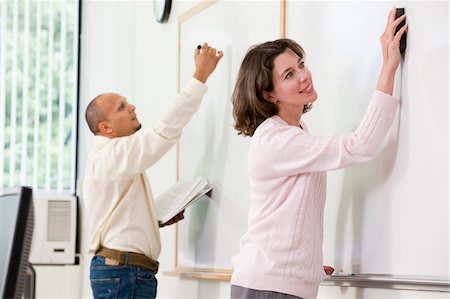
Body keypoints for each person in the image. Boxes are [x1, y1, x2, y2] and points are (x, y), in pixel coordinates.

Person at [230, 8, 407, 299]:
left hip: (274, 284)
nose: (303, 76)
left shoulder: (295, 132)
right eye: (289, 74)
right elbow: (360, 146)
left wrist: (306, 262)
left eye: (301, 65)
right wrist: (389, 65)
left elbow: (290, 209)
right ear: (268, 94)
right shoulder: (275, 140)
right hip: (268, 287)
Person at [83, 42, 223, 299]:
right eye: (121, 107)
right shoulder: (112, 156)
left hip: (126, 272)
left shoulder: (110, 157)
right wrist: (200, 77)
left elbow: (118, 216)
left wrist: (153, 217)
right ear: (106, 127)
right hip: (124, 273)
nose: (132, 107)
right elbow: (163, 132)